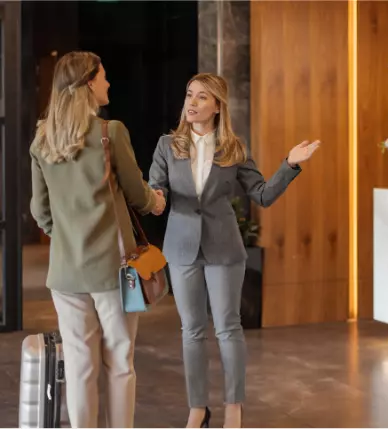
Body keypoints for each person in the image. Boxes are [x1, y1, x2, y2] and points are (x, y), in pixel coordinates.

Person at [148, 73, 320, 428]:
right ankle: (198, 408)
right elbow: (156, 191)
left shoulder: (235, 148)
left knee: (228, 327)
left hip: (224, 248)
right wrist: (154, 199)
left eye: (202, 97)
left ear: (217, 106)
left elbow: (262, 195)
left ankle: (234, 407)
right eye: (189, 95)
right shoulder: (167, 145)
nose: (192, 103)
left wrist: (289, 164)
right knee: (192, 329)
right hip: (181, 249)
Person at [29, 51, 166, 427]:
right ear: (89, 83)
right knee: (120, 360)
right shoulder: (111, 132)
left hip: (66, 273)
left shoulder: (42, 141)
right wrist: (158, 201)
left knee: (79, 365)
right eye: (103, 77)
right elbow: (138, 195)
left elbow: (41, 212)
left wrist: (71, 238)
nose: (108, 83)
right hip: (115, 272)